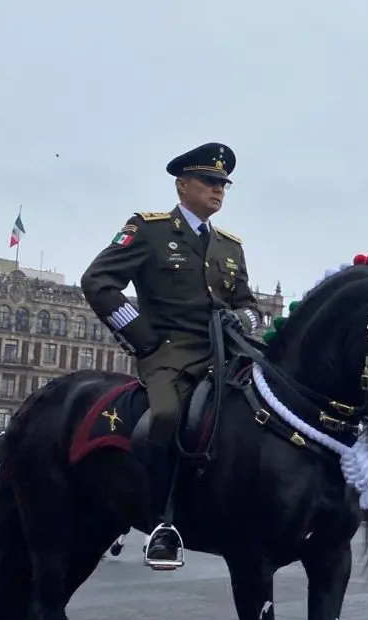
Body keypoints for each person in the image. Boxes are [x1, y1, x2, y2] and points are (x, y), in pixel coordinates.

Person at [81, 142, 261, 570]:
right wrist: (143, 340)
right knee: (165, 415)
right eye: (210, 181)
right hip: (169, 354)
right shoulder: (149, 229)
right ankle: (161, 521)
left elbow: (250, 304)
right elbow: (98, 282)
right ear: (183, 186)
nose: (219, 190)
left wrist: (244, 322)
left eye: (224, 184)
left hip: (227, 353)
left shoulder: (230, 247)